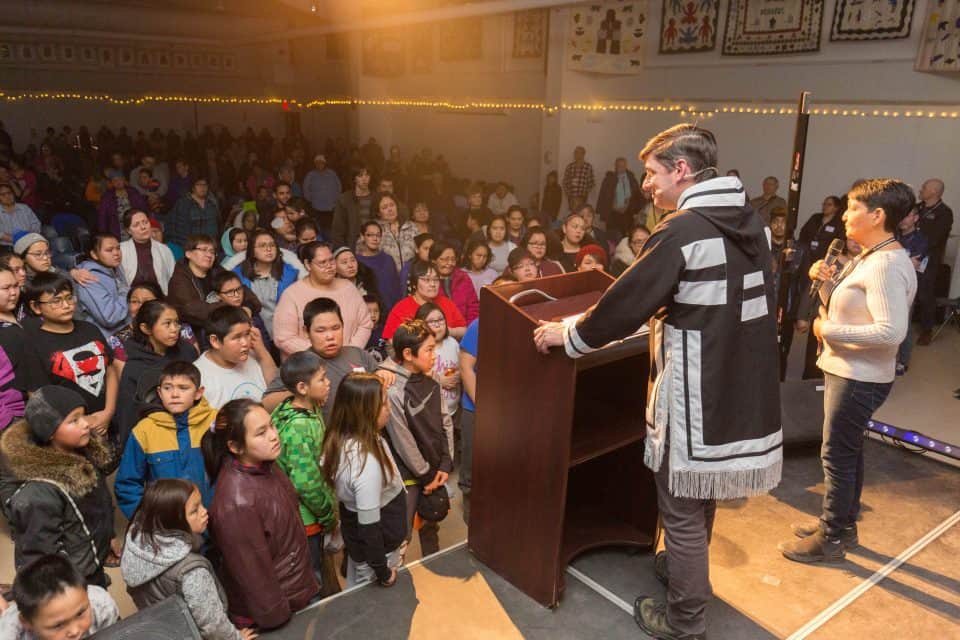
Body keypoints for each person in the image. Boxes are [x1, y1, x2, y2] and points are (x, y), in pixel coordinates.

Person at [534, 124, 782, 640]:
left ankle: (685, 619)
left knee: (680, 502)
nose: (647, 184)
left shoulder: (682, 230)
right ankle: (686, 574)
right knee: (703, 488)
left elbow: (622, 308)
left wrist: (568, 335)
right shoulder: (753, 222)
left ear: (681, 170)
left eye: (651, 173)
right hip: (740, 380)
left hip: (696, 386)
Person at [779, 179, 917, 564]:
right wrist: (823, 286)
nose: (845, 214)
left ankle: (832, 536)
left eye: (853, 207)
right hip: (852, 369)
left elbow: (891, 331)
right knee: (847, 451)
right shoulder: (873, 256)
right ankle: (841, 523)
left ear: (877, 216)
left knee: (836, 455)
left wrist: (826, 330)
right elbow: (848, 309)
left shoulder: (885, 265)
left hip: (859, 376)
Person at [201, 399, 319, 630]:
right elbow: (253, 575)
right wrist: (279, 620)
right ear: (235, 447)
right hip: (275, 615)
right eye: (261, 433)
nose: (274, 436)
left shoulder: (268, 466)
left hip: (296, 595)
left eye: (271, 426)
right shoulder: (235, 503)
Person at [0, 387, 118, 588]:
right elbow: (42, 557)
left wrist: (109, 537)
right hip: (70, 581)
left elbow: (99, 504)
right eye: (74, 420)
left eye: (83, 416)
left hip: (90, 561)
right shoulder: (40, 491)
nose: (85, 425)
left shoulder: (84, 453)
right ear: (50, 432)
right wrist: (74, 584)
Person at [121, 479, 254, 640]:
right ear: (172, 520)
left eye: (201, 504)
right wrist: (235, 638)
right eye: (194, 511)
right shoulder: (191, 571)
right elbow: (213, 625)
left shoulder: (136, 547)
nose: (204, 512)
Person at [321, 373, 404, 588]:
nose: (390, 409)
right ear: (365, 411)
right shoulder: (365, 463)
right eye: (384, 404)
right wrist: (383, 572)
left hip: (364, 546)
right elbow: (369, 527)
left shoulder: (348, 437)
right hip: (378, 556)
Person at [381, 320, 453, 558]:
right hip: (410, 475)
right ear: (408, 354)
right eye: (429, 350)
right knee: (402, 534)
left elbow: (445, 421)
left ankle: (434, 562)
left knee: (432, 520)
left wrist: (445, 462)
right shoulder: (393, 390)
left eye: (435, 348)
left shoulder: (431, 381)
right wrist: (425, 475)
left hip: (434, 469)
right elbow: (403, 440)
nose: (435, 355)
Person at [261, 297, 393, 421]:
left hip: (365, 435)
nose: (330, 336)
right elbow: (267, 404)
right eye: (321, 330)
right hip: (326, 441)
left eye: (336, 328)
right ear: (306, 332)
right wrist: (304, 392)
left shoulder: (358, 354)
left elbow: (379, 382)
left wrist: (381, 374)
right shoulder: (299, 363)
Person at [272, 351, 338, 593]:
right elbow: (305, 484)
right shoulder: (299, 426)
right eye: (321, 379)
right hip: (307, 518)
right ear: (302, 387)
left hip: (308, 512)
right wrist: (328, 514)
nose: (328, 382)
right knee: (312, 577)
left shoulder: (298, 407)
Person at [115, 361, 217, 517]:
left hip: (212, 521)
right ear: (159, 392)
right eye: (168, 388)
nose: (174, 394)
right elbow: (127, 484)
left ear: (198, 392)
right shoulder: (144, 430)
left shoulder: (215, 422)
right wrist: (147, 520)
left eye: (183, 388)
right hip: (166, 527)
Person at [23, 274, 118, 438]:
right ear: (36, 307)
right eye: (56, 301)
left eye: (69, 298)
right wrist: (80, 422)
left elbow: (110, 372)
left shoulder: (90, 329)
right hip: (71, 432)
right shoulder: (33, 344)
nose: (66, 305)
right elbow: (39, 398)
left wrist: (107, 413)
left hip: (107, 421)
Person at [114, 300, 200, 452]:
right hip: (157, 442)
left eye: (176, 323)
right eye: (167, 324)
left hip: (193, 432)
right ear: (146, 328)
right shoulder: (135, 367)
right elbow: (127, 415)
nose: (175, 329)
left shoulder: (187, 351)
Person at [273, 241, 373, 356]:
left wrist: (350, 352)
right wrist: (320, 355)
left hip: (349, 361)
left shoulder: (348, 288)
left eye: (331, 260)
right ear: (308, 265)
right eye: (322, 263)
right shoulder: (292, 295)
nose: (329, 266)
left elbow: (365, 323)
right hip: (310, 366)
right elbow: (284, 338)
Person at [0, 554, 119, 640]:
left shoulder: (102, 606)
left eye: (80, 613)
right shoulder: (8, 634)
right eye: (58, 625)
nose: (74, 631)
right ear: (27, 623)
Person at [167, 234, 262, 340]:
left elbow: (243, 291)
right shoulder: (179, 279)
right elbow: (192, 310)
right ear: (188, 254)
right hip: (194, 329)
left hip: (221, 321)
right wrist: (231, 308)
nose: (209, 255)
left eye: (212, 252)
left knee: (255, 321)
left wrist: (248, 307)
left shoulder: (216, 270)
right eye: (204, 250)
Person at [193, 306, 277, 409]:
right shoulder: (199, 376)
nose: (245, 343)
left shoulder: (254, 356)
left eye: (247, 334)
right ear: (215, 341)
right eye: (237, 337)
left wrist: (262, 352)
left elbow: (276, 391)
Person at [233, 229, 300, 340]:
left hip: (287, 334)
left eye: (272, 245)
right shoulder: (238, 276)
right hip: (253, 335)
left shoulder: (291, 274)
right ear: (252, 251)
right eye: (262, 246)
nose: (268, 249)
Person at [383, 261, 466, 341]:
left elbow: (464, 330)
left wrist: (447, 331)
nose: (433, 284)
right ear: (414, 284)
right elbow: (391, 340)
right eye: (426, 280)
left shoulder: (447, 303)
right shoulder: (401, 308)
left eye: (436, 279)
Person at [914, 178, 953, 345]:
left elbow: (934, 239)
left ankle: (926, 330)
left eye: (924, 188)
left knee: (925, 295)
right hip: (908, 255)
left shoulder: (944, 212)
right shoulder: (917, 208)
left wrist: (917, 251)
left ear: (934, 192)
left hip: (928, 260)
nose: (921, 190)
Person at [74, 232, 130, 339]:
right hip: (107, 339)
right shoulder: (89, 277)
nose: (116, 253)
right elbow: (110, 317)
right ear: (94, 255)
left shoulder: (114, 268)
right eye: (109, 250)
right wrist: (126, 292)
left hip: (123, 331)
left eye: (118, 248)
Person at [415, 302, 462, 424]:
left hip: (453, 409)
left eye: (440, 320)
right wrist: (439, 380)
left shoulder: (453, 343)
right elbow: (415, 376)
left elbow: (461, 366)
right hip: (430, 412)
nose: (437, 325)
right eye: (431, 321)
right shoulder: (420, 349)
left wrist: (459, 375)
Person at [895, 206, 928, 375]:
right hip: (889, 285)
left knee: (904, 325)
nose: (903, 219)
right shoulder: (893, 235)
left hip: (907, 289)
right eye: (901, 215)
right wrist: (904, 262)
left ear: (915, 218)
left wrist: (895, 262)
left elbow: (916, 265)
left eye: (907, 216)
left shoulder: (920, 240)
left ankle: (903, 361)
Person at [0, 265, 32, 429]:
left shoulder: (22, 311)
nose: (13, 292)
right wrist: (7, 421)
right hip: (14, 418)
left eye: (15, 286)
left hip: (35, 408)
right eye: (6, 288)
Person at [120, 209, 177, 294]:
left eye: (145, 222)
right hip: (130, 301)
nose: (143, 227)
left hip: (159, 300)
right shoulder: (120, 249)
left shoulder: (163, 249)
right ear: (128, 230)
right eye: (136, 225)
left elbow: (174, 278)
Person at [356, 220, 402, 312]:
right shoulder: (357, 261)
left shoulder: (388, 259)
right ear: (362, 237)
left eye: (378, 235)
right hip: (370, 312)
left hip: (392, 310)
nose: (375, 238)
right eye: (370, 235)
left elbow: (397, 287)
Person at [430, 240, 479, 323]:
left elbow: (473, 307)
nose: (449, 263)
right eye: (445, 259)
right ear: (433, 260)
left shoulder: (463, 277)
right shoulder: (428, 280)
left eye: (453, 259)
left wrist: (468, 330)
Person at [164, 177, 219, 248]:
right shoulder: (183, 204)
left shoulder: (212, 203)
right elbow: (177, 230)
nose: (202, 187)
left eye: (205, 185)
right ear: (193, 187)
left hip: (210, 247)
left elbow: (216, 227)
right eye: (198, 185)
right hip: (191, 247)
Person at [597, 157, 644, 238]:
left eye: (623, 166)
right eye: (619, 166)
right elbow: (603, 196)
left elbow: (637, 195)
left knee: (628, 236)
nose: (621, 168)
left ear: (626, 166)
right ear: (615, 166)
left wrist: (632, 207)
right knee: (612, 236)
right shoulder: (609, 179)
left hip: (628, 213)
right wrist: (610, 209)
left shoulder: (631, 178)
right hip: (613, 213)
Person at [373, 192, 417, 274]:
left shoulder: (411, 226)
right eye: (384, 207)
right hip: (386, 278)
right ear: (378, 212)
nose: (390, 209)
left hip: (410, 276)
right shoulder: (373, 230)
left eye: (392, 205)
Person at [98, 170, 148, 240]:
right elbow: (102, 217)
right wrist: (103, 235)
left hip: (135, 226)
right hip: (116, 230)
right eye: (115, 181)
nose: (118, 182)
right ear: (112, 183)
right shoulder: (107, 197)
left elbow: (143, 209)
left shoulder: (133, 192)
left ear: (124, 180)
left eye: (120, 179)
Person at [331, 166, 372, 249]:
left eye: (367, 175)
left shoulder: (377, 198)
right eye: (360, 176)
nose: (364, 179)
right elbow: (338, 230)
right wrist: (342, 251)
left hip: (375, 244)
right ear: (354, 179)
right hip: (353, 246)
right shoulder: (345, 199)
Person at [303, 154, 342, 226]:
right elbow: (305, 189)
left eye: (321, 162)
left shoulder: (331, 173)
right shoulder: (310, 175)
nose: (319, 164)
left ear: (324, 163)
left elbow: (339, 185)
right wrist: (311, 199)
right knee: (319, 227)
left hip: (331, 207)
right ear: (315, 164)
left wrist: (337, 198)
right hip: (317, 208)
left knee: (331, 227)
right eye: (317, 162)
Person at [0, 183, 41, 248]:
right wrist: (20, 240)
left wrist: (30, 237)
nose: (7, 196)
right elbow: (1, 234)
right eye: (3, 194)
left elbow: (36, 224)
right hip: (8, 247)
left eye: (9, 193)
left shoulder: (24, 208)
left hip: (29, 243)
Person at [561, 146, 596, 211]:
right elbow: (565, 181)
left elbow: (592, 182)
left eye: (579, 153)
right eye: (576, 153)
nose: (577, 155)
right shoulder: (570, 166)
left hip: (582, 197)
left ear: (583, 154)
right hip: (572, 196)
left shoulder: (588, 167)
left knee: (581, 213)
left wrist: (585, 192)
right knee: (573, 214)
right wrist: (568, 193)